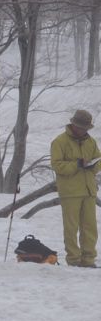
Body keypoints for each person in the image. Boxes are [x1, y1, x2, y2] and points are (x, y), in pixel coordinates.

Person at [50, 110, 101, 267]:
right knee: (71, 227)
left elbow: (98, 160)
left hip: (88, 190)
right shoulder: (59, 142)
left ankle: (88, 259)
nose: (83, 131)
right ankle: (73, 259)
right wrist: (77, 164)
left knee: (90, 227)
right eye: (81, 127)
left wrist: (92, 166)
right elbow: (57, 165)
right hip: (70, 192)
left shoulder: (91, 142)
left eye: (86, 128)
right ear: (73, 124)